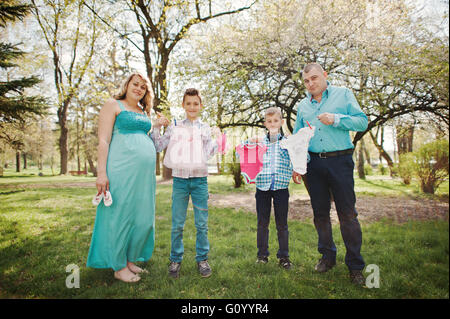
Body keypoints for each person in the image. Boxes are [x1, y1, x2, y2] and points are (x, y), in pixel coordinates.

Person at [292, 63, 368, 286]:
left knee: (348, 215)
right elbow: (298, 136)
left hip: (340, 161)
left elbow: (362, 121)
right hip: (313, 165)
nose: (311, 83)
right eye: (306, 81)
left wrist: (336, 119)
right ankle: (327, 257)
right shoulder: (303, 105)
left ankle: (355, 266)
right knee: (320, 214)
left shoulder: (343, 95)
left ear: (325, 76)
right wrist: (298, 164)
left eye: (314, 78)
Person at [86, 72, 159, 283]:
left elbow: (143, 137)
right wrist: (101, 173)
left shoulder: (143, 111)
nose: (138, 89)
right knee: (121, 215)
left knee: (142, 218)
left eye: (143, 87)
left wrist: (157, 125)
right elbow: (104, 140)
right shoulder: (113, 105)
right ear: (127, 85)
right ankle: (118, 266)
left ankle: (129, 259)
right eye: (135, 84)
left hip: (144, 176)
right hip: (121, 170)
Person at [151, 88, 219, 279]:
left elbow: (209, 152)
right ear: (183, 105)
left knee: (202, 223)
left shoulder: (204, 128)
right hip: (180, 181)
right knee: (177, 223)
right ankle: (175, 260)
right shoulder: (174, 126)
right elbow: (158, 146)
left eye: (195, 103)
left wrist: (217, 137)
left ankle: (202, 259)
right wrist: (157, 126)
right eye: (188, 103)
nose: (192, 107)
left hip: (200, 181)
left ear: (200, 106)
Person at [246, 107, 294, 269]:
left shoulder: (287, 142)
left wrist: (295, 144)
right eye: (269, 121)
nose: (272, 124)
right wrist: (249, 141)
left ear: (281, 122)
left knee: (282, 224)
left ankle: (284, 257)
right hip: (262, 187)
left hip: (281, 187)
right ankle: (262, 255)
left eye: (276, 121)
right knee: (262, 223)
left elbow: (303, 158)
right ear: (265, 123)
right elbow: (242, 152)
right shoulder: (260, 142)